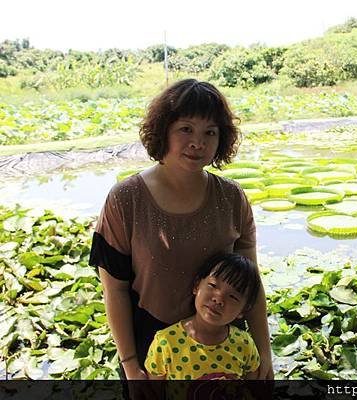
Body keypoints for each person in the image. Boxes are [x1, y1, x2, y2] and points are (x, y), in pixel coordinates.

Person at [89, 79, 273, 397]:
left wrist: (264, 352)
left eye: (209, 133)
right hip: (153, 350)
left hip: (223, 343)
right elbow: (114, 290)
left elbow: (250, 283)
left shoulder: (232, 198)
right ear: (163, 131)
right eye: (185, 129)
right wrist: (130, 365)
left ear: (221, 139)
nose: (197, 143)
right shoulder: (125, 199)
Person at [145, 253, 261, 381]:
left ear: (243, 310)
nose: (218, 299)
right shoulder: (166, 342)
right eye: (213, 285)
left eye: (233, 297)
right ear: (197, 286)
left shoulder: (244, 344)